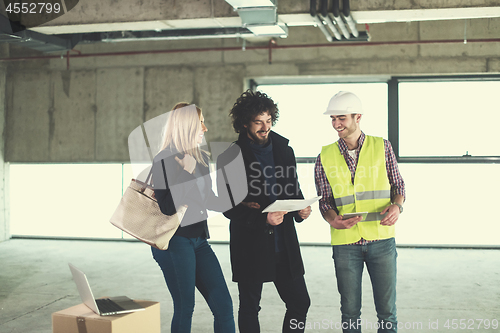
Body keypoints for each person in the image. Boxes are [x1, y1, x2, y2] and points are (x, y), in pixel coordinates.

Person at [217, 90, 311, 333]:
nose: (265, 127)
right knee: (249, 306)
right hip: (250, 243)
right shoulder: (229, 157)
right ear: (245, 122)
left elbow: (294, 189)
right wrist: (263, 219)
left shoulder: (284, 150)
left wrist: (300, 209)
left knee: (300, 301)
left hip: (284, 242)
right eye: (258, 121)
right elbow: (227, 206)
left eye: (268, 121)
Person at [314, 91, 406, 333]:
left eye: (341, 118)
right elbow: (325, 201)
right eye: (333, 118)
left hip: (381, 239)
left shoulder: (382, 146)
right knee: (350, 312)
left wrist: (397, 206)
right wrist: (333, 220)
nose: (336, 124)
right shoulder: (324, 155)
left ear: (358, 117)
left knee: (387, 311)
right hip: (345, 243)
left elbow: (399, 186)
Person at [151, 103, 235, 333]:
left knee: (224, 305)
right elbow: (167, 207)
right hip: (174, 241)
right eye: (201, 123)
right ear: (187, 126)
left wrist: (244, 205)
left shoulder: (200, 159)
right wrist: (186, 173)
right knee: (185, 306)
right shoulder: (164, 160)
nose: (205, 128)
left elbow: (207, 198)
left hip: (198, 240)